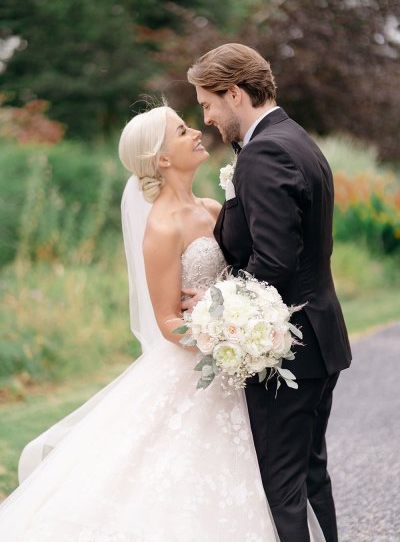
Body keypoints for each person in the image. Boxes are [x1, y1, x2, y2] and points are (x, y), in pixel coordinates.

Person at [0, 105, 326, 541]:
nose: (196, 131)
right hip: (204, 366)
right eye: (181, 130)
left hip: (237, 364)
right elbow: (168, 321)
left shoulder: (214, 207)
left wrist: (235, 317)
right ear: (163, 159)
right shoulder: (161, 228)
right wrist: (216, 331)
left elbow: (244, 272)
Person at [186, 43, 352, 542]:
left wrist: (217, 307)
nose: (209, 118)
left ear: (234, 93)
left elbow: (273, 263)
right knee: (308, 475)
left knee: (280, 488)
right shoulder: (296, 138)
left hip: (289, 349)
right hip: (318, 337)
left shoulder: (265, 151)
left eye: (208, 105)